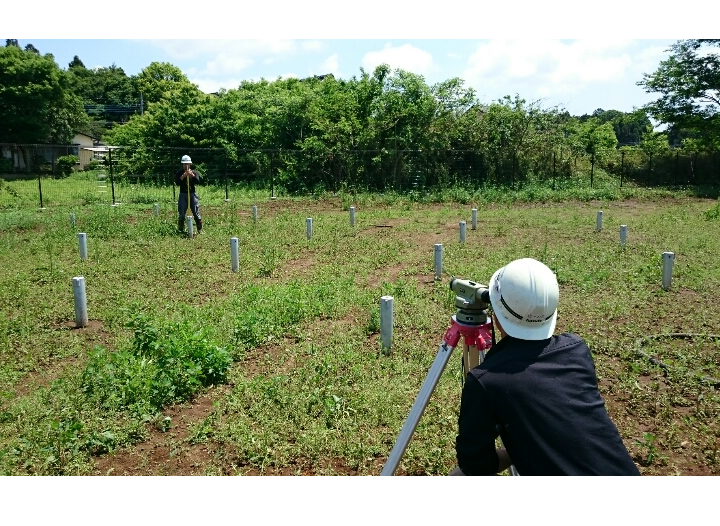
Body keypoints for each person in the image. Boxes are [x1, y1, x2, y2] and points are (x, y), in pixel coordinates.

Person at [451, 257, 640, 476]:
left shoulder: (486, 381)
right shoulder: (576, 351)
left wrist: (518, 446)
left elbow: (475, 467)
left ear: (497, 312)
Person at [175, 154, 203, 234]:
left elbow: (198, 181)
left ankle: (199, 229)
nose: (186, 165)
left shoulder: (194, 172)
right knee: (182, 213)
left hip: (192, 194)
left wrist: (192, 175)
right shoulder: (179, 173)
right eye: (184, 164)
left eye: (187, 164)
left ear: (190, 164)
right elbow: (177, 183)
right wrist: (183, 177)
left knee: (196, 212)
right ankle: (181, 229)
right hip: (183, 194)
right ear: (182, 164)